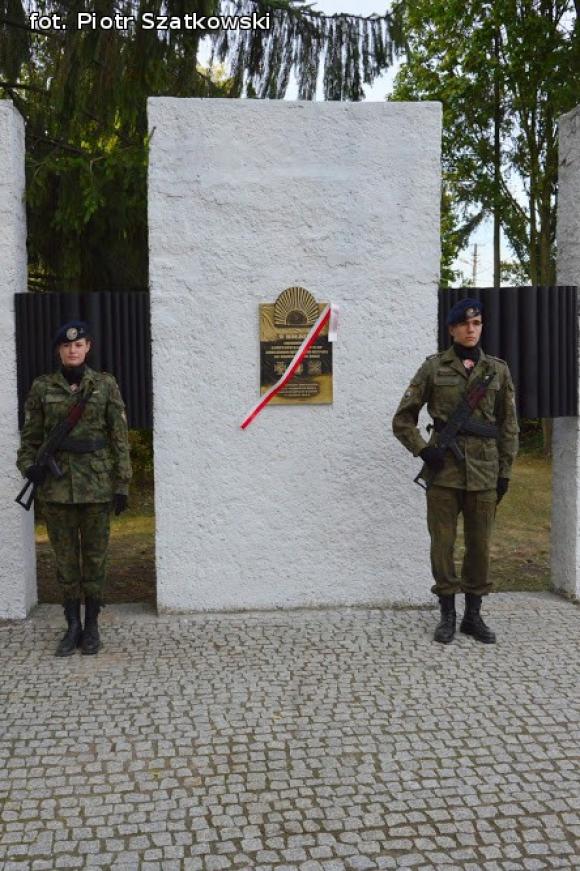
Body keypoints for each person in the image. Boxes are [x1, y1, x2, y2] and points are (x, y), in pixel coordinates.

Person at [392, 299, 519, 645]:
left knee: (479, 547)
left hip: (485, 473)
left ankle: (472, 616)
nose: (471, 329)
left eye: (476, 323)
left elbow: (509, 426)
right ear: (451, 329)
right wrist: (424, 450)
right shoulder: (433, 368)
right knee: (442, 546)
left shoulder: (498, 370)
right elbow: (402, 419)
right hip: (444, 472)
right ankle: (447, 614)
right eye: (463, 324)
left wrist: (504, 472)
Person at [17, 320, 132, 656]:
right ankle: (73, 626)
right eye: (67, 346)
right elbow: (30, 440)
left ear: (87, 347)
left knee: (95, 559)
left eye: (78, 344)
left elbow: (119, 438)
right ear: (59, 350)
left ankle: (93, 625)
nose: (72, 349)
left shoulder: (105, 385)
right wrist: (29, 469)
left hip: (96, 486)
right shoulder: (42, 387)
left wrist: (122, 483)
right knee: (66, 561)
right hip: (56, 488)